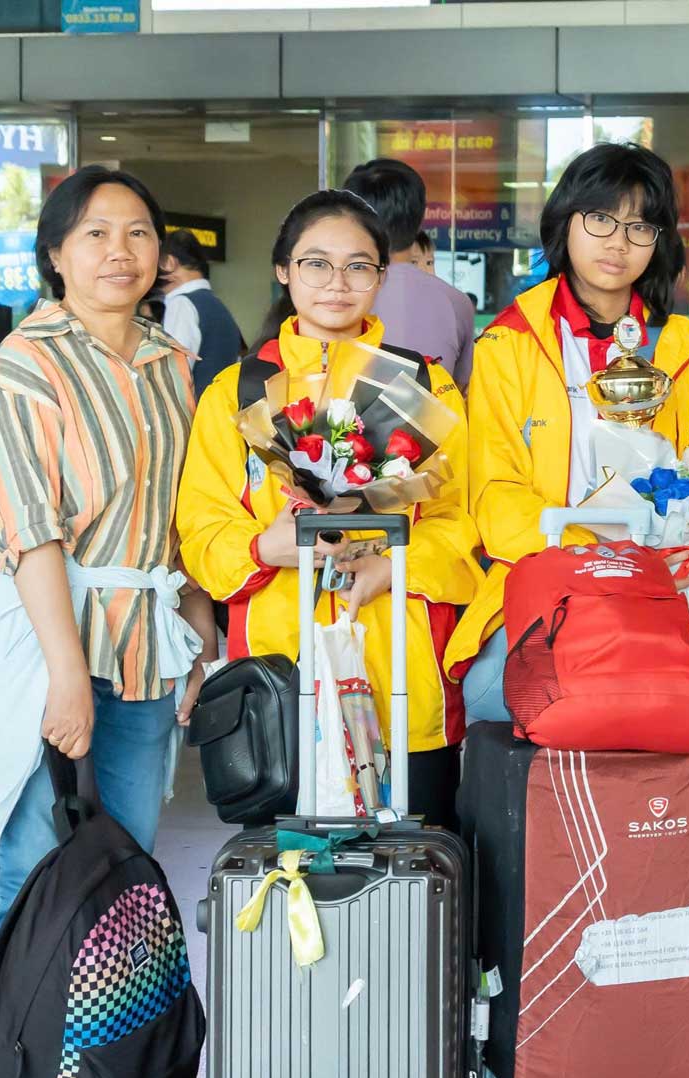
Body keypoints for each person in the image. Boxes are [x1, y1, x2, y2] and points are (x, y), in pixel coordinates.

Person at [0, 165, 217, 958]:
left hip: (145, 644)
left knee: (126, 863)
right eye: (95, 234)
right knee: (28, 862)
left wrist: (197, 629)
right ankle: (19, 1038)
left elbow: (181, 512)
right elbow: (29, 529)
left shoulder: (171, 362)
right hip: (41, 639)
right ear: (56, 253)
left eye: (138, 233)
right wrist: (65, 672)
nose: (120, 251)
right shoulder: (29, 360)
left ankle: (106, 1037)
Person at [177, 190, 481, 832]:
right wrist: (266, 548)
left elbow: (462, 519)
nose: (337, 283)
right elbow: (201, 528)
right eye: (316, 264)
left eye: (358, 266)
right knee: (288, 869)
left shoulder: (423, 385)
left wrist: (390, 568)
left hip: (403, 669)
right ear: (283, 270)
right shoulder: (237, 392)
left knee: (410, 865)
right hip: (279, 679)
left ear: (382, 276)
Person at [443, 142, 689, 719]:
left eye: (640, 227)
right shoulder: (510, 343)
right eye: (602, 219)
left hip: (669, 583)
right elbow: (493, 491)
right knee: (493, 694)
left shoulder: (681, 346)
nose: (618, 242)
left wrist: (662, 552)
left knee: (682, 702)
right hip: (550, 576)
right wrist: (590, 552)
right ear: (567, 221)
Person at [342, 157, 475, 390]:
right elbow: (460, 391)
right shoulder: (457, 303)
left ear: (351, 219)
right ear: (421, 216)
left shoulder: (333, 295)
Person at [159, 228, 245, 394]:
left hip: (194, 408)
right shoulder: (217, 306)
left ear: (168, 263)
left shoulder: (182, 304)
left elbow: (172, 377)